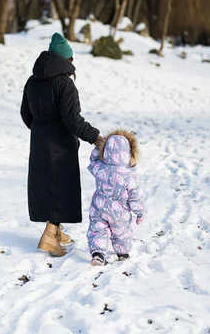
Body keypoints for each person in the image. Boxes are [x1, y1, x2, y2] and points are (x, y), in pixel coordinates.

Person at [21, 32, 104, 257]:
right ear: (66, 60)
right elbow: (72, 119)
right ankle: (49, 235)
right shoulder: (64, 84)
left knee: (46, 185)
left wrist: (41, 131)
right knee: (59, 187)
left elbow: (25, 114)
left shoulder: (32, 81)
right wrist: (96, 138)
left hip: (39, 141)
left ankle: (57, 231)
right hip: (61, 143)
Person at [86, 129, 145, 266]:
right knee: (121, 233)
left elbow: (93, 160)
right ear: (129, 154)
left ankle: (98, 253)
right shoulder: (130, 177)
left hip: (99, 208)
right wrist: (139, 213)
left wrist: (98, 149)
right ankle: (122, 251)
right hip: (120, 213)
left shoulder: (100, 168)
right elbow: (135, 198)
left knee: (97, 229)